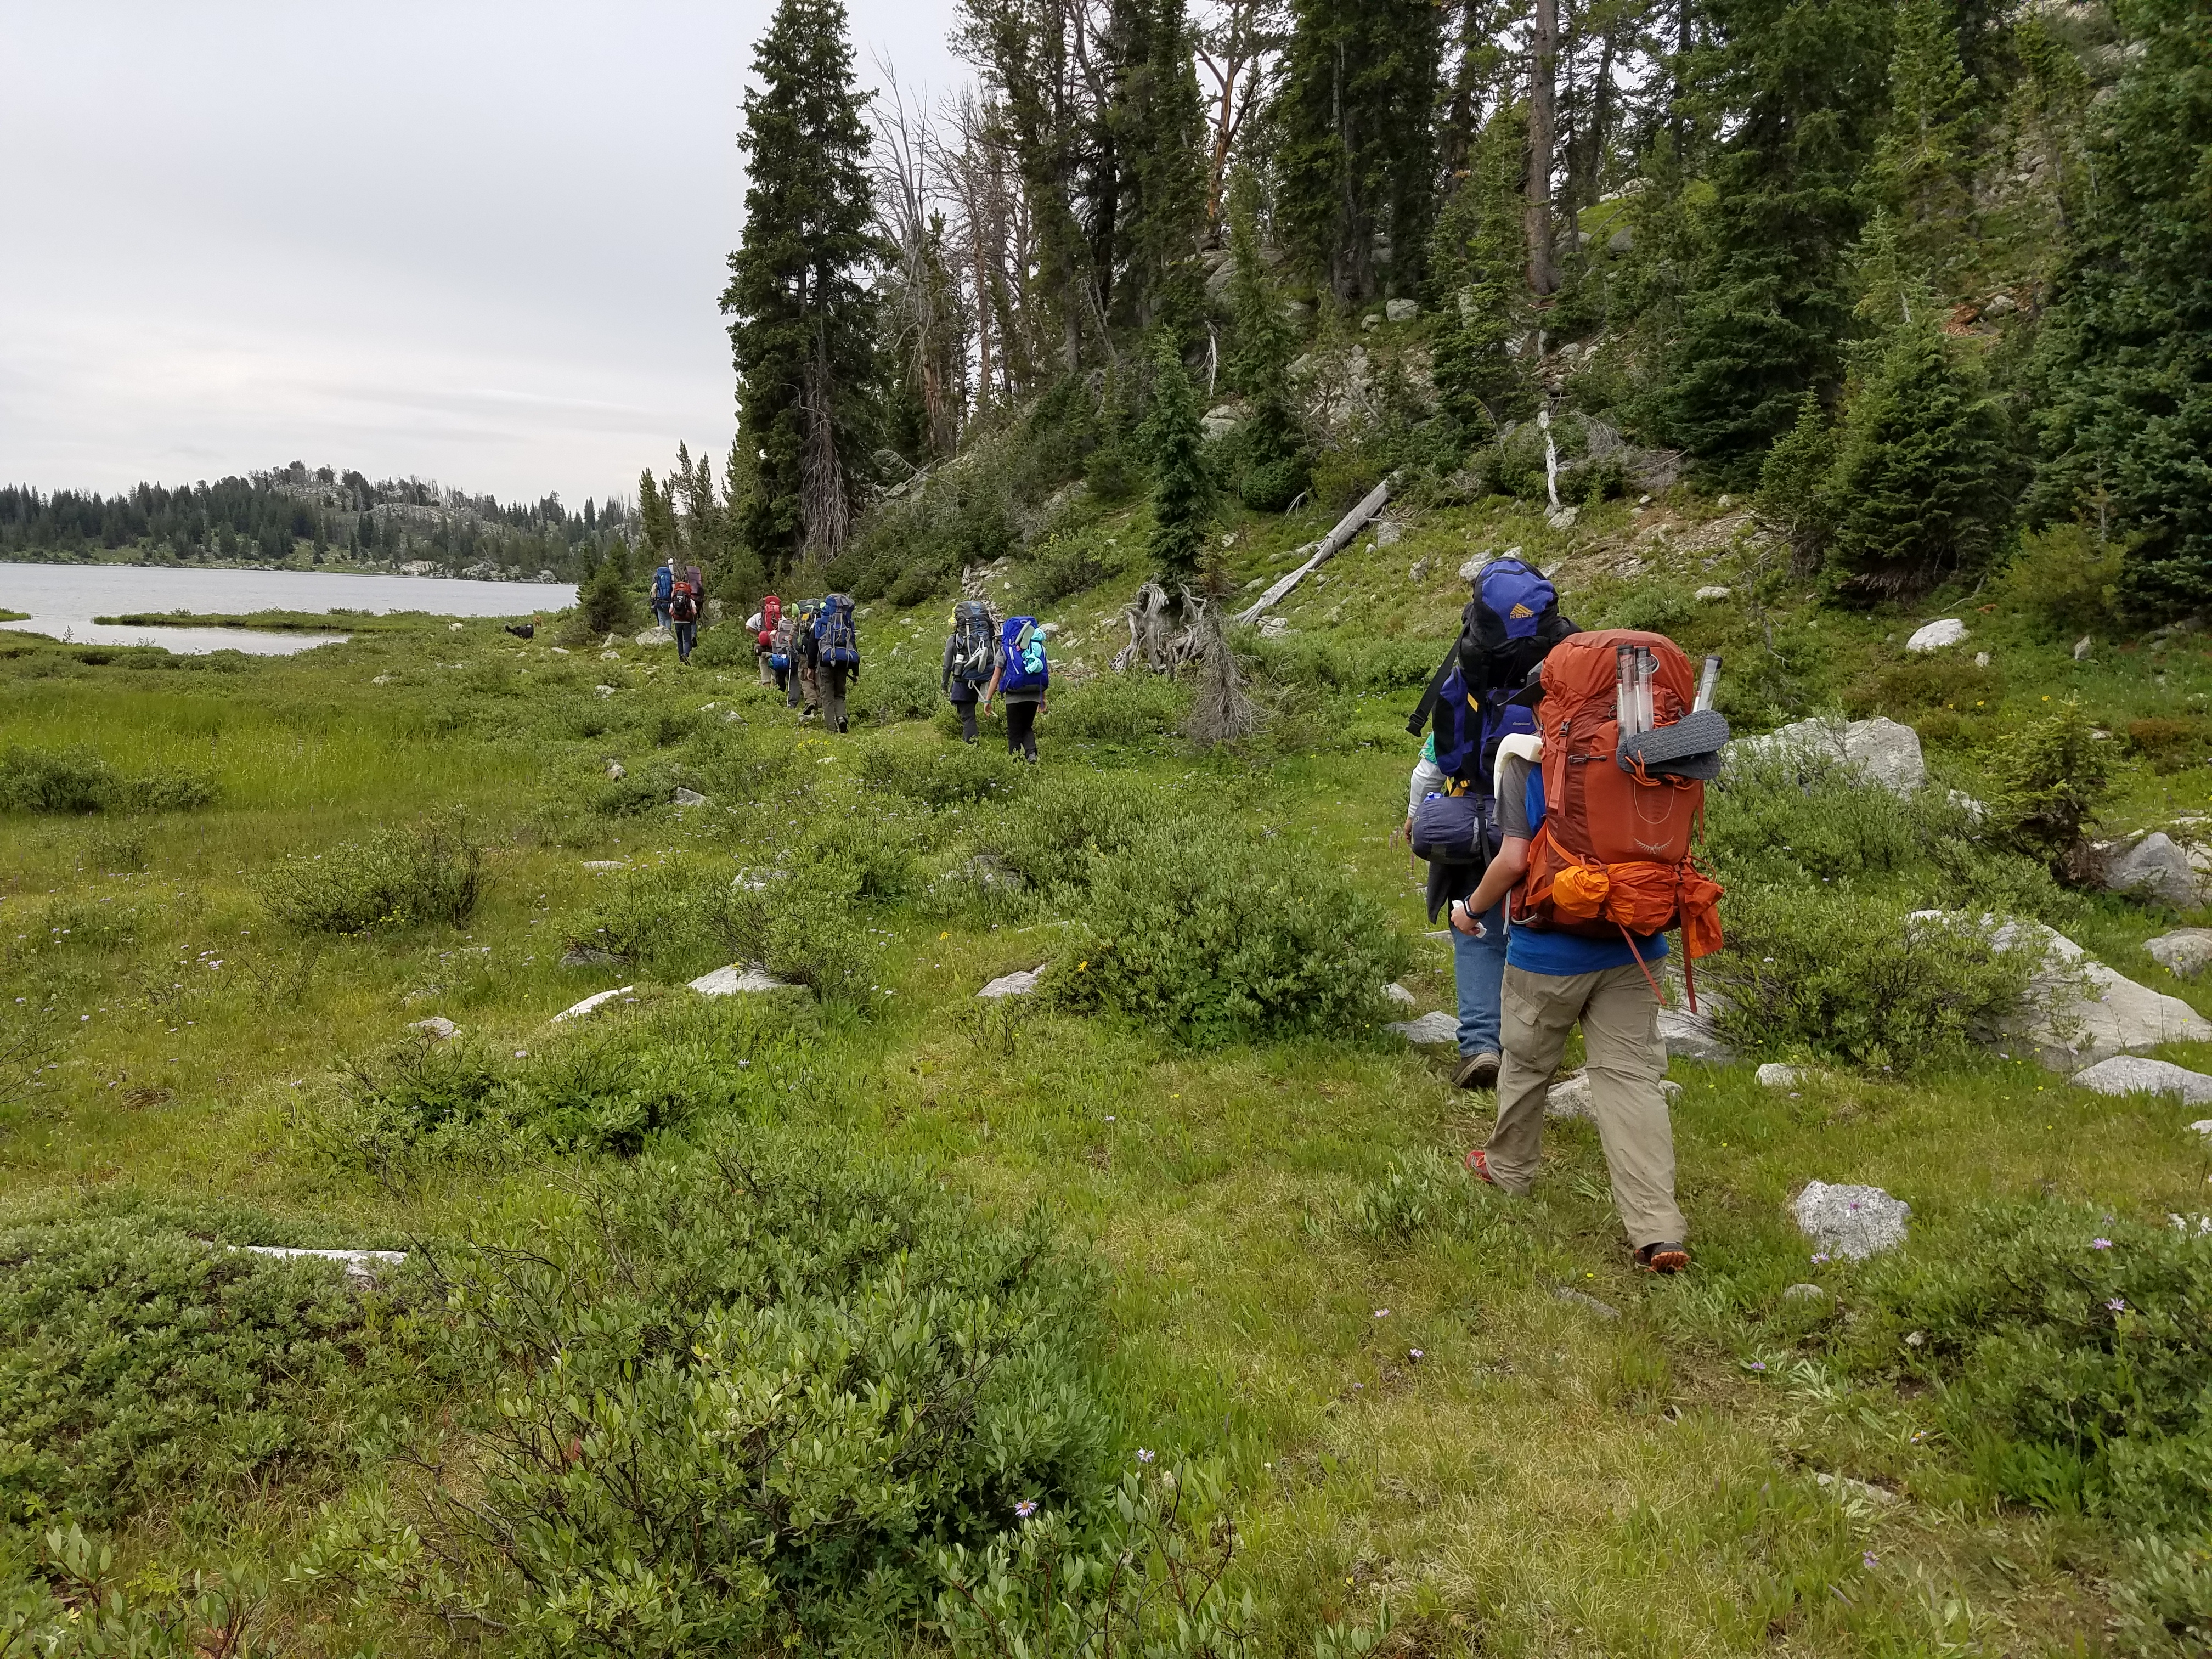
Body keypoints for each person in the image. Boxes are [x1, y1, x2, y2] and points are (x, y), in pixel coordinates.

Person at [1452, 633, 1723, 1277]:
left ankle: (1510, 1169)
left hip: (1550, 947)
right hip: (1640, 940)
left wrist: (1470, 908)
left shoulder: (1525, 762)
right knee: (1631, 1080)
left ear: (1560, 698)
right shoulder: (1671, 758)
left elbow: (1515, 861)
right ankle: (1657, 1229)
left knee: (1525, 1063)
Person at [1407, 733, 1506, 1091]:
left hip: (1476, 826)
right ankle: (1525, 1045)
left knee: (1477, 935)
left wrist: (1413, 816)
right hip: (1545, 823)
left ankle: (1482, 1045)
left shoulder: (1467, 686)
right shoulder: (1554, 689)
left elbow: (1428, 771)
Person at [982, 614, 1048, 762]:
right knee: (1027, 727)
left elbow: (996, 677)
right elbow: (1041, 672)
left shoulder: (1005, 649)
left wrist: (988, 700)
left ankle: (1015, 762)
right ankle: (1031, 753)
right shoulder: (1039, 647)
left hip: (1014, 695)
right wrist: (1043, 697)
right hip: (1033, 692)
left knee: (1014, 731)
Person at [805, 592, 860, 733]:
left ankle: (832, 729)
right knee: (840, 694)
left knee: (827, 695)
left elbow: (813, 644)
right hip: (844, 662)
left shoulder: (821, 621)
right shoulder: (848, 623)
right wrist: (856, 671)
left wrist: (810, 667)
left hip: (826, 662)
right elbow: (853, 645)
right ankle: (842, 719)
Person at [941, 601, 994, 742]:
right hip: (981, 677)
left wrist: (944, 686)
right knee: (969, 712)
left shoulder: (953, 640)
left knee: (967, 716)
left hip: (963, 681)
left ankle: (971, 744)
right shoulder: (984, 634)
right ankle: (970, 740)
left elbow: (947, 666)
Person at [669, 573, 699, 663]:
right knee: (687, 639)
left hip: (677, 621)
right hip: (686, 621)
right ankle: (685, 655)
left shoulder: (675, 600)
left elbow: (670, 611)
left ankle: (680, 658)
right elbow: (695, 611)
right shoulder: (690, 600)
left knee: (679, 640)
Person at [651, 557, 675, 629]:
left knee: (661, 619)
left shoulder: (656, 584)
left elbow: (652, 594)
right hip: (669, 602)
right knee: (668, 618)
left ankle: (662, 634)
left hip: (660, 602)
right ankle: (669, 633)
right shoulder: (671, 581)